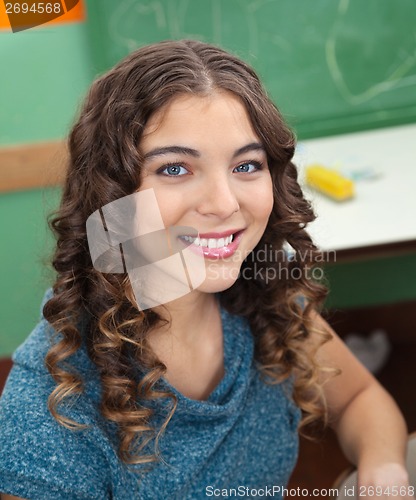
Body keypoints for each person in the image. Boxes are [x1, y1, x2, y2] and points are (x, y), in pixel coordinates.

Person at [0, 39, 413, 500]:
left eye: (246, 165)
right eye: (175, 169)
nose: (223, 204)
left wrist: (384, 467)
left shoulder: (267, 302)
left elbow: (360, 401)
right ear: (110, 196)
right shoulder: (48, 412)